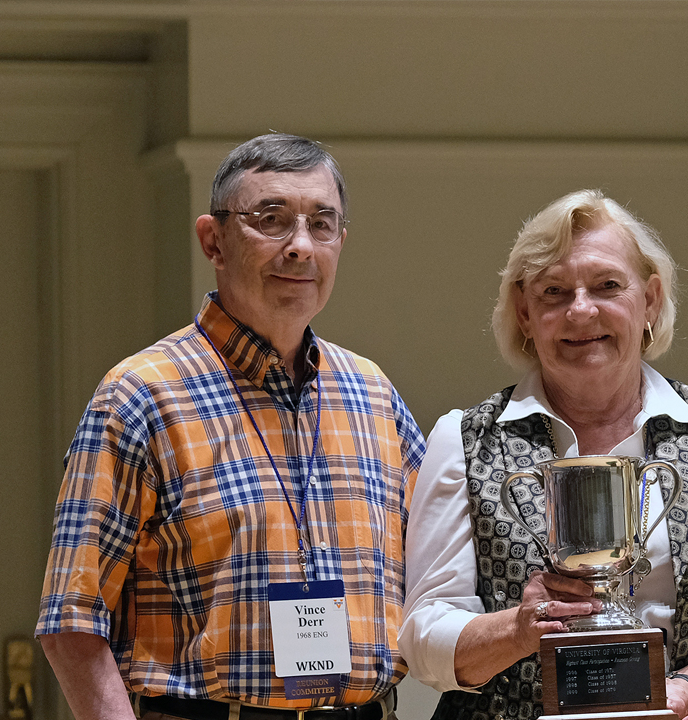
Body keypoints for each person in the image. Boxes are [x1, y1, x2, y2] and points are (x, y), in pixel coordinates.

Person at [36, 133, 425, 720]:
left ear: (341, 242)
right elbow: (72, 620)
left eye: (322, 224)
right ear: (212, 241)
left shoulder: (372, 393)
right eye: (272, 220)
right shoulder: (141, 395)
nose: (300, 246)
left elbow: (441, 574)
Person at [399, 189, 688, 720]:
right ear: (524, 312)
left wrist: (687, 689)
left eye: (608, 285)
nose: (581, 310)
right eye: (554, 292)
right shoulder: (465, 439)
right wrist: (517, 630)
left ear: (650, 299)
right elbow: (423, 637)